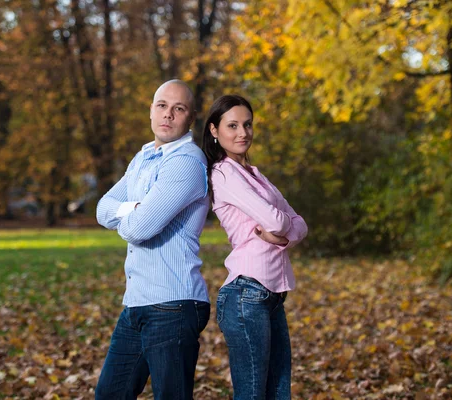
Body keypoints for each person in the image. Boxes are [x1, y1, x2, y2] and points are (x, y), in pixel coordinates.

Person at [95, 80, 211, 400]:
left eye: (179, 108)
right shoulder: (144, 157)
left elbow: (139, 230)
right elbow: (102, 209)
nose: (168, 114)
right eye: (162, 105)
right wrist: (136, 207)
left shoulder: (187, 162)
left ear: (191, 118)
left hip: (172, 304)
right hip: (137, 302)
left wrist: (133, 215)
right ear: (151, 110)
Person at [201, 95, 308, 400]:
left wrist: (284, 236)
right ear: (214, 130)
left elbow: (300, 224)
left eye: (247, 124)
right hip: (246, 294)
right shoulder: (223, 173)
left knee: (278, 392)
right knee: (252, 394)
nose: (242, 132)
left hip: (271, 295)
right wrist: (283, 227)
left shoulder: (256, 175)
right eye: (232, 125)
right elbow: (276, 219)